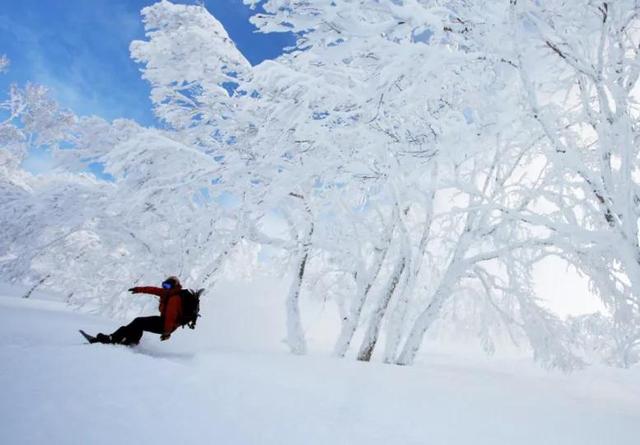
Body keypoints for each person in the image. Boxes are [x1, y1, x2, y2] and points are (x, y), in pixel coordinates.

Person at [93, 276, 184, 345]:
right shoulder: (167, 293)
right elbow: (152, 289)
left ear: (173, 286)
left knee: (138, 322)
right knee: (139, 322)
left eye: (167, 286)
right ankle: (132, 340)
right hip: (166, 323)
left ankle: (112, 338)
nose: (164, 287)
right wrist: (138, 289)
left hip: (166, 325)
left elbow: (171, 317)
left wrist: (166, 333)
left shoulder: (174, 299)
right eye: (164, 285)